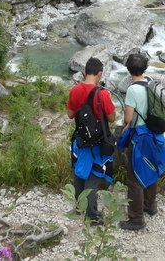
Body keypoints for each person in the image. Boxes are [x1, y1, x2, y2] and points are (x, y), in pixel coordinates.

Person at [117, 53, 165, 231]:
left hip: (140, 137)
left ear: (128, 69)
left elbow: (128, 118)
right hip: (155, 135)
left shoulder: (132, 90)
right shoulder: (151, 83)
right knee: (152, 168)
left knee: (134, 179)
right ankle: (150, 205)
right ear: (145, 68)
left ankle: (136, 219)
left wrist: (126, 125)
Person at [67, 57, 116, 225]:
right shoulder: (102, 94)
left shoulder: (75, 90)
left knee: (80, 172)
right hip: (98, 143)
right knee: (93, 178)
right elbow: (111, 118)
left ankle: (78, 207)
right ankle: (92, 216)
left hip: (81, 140)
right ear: (100, 73)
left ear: (84, 72)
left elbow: (70, 114)